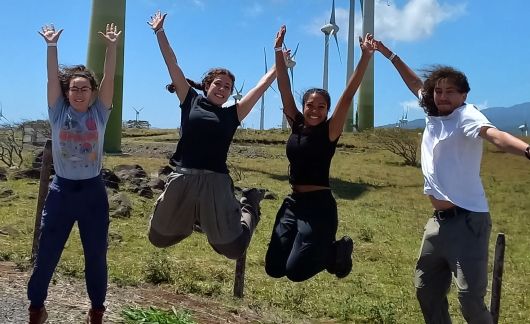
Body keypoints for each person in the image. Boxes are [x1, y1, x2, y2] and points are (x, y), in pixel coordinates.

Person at [373, 38, 530, 323]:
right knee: (426, 289)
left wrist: (527, 150)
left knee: (470, 300)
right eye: (438, 91)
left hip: (468, 221)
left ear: (464, 95)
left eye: (450, 92)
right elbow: (413, 83)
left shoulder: (467, 116)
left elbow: (495, 136)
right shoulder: (432, 111)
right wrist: (388, 54)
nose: (442, 96)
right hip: (437, 223)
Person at [146, 11, 276, 260]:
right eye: (218, 83)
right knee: (158, 237)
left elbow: (259, 89)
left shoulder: (232, 114)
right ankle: (193, 219)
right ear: (207, 85)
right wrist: (160, 31)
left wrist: (277, 64)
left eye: (227, 87)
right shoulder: (189, 100)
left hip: (215, 182)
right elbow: (173, 64)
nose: (223, 89)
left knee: (232, 248)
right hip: (182, 178)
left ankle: (249, 203)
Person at [264, 25, 374, 282]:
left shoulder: (330, 131)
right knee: (274, 268)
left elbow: (347, 96)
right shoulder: (296, 124)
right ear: (303, 107)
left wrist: (365, 57)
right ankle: (305, 246)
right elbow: (283, 87)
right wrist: (278, 51)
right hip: (293, 203)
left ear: (326, 110)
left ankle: (335, 251)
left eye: (321, 107)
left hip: (319, 207)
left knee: (296, 272)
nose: (315, 110)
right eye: (310, 106)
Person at [28, 23, 121, 324]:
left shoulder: (99, 113)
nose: (79, 92)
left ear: (93, 93)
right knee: (47, 254)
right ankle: (36, 308)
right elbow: (50, 79)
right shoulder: (58, 112)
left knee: (96, 255)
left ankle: (96, 310)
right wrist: (51, 46)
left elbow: (109, 80)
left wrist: (111, 47)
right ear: (67, 93)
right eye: (74, 88)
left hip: (93, 194)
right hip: (61, 192)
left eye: (85, 88)